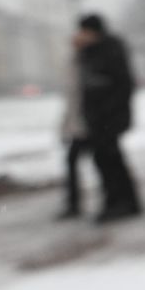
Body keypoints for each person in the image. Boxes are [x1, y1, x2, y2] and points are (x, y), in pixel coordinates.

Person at [75, 12, 143, 223]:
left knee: (110, 161)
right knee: (107, 161)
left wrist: (110, 113)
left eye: (83, 31)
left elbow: (121, 84)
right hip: (99, 118)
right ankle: (121, 203)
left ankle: (121, 203)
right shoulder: (94, 50)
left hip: (107, 119)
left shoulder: (107, 49)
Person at [56, 28, 90, 219]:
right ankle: (73, 203)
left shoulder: (86, 61)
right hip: (79, 124)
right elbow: (70, 100)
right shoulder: (75, 62)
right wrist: (65, 127)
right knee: (72, 162)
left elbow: (78, 97)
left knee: (105, 164)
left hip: (89, 124)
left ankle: (74, 204)